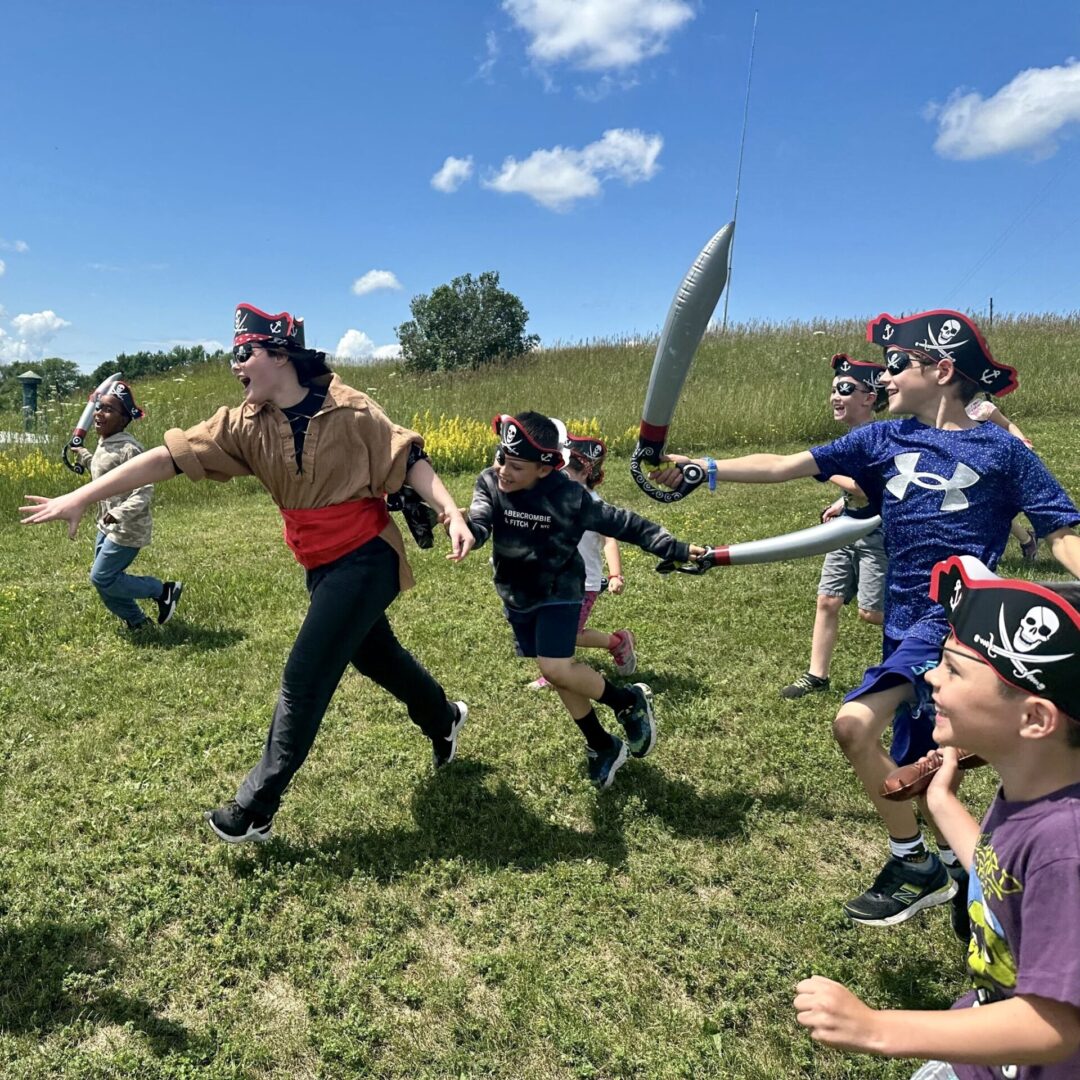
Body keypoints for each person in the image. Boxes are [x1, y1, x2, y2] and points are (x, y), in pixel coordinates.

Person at [651, 309, 1080, 926]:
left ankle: (914, 864)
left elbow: (1059, 528)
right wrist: (706, 467)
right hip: (900, 627)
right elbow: (783, 465)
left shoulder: (1002, 452)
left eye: (898, 365)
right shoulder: (882, 440)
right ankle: (971, 881)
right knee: (922, 775)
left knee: (854, 726)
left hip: (952, 622)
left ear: (942, 369)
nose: (885, 378)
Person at [22, 304, 474, 844]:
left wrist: (450, 510)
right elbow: (166, 458)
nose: (235, 365)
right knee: (375, 655)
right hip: (320, 563)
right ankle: (442, 716)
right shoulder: (243, 422)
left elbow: (409, 457)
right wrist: (81, 495)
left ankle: (255, 806)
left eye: (244, 353)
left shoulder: (351, 410)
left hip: (367, 555)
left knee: (305, 677)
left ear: (280, 355)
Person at [794, 555, 1080, 1079]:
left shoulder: (1067, 846)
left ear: (1035, 718)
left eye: (952, 668)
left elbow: (1057, 1023)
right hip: (979, 1055)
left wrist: (876, 1027)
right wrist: (944, 803)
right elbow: (1004, 879)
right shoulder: (1035, 791)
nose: (930, 675)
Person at [461, 411, 706, 789]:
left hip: (561, 591)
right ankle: (601, 744)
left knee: (556, 668)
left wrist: (672, 547)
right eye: (501, 459)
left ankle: (627, 702)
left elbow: (625, 524)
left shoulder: (569, 496)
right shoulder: (492, 482)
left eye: (517, 466)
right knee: (561, 678)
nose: (504, 471)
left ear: (544, 469)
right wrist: (466, 530)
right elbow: (479, 517)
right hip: (517, 595)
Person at [781, 354, 887, 699]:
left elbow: (868, 487)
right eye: (833, 390)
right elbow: (855, 490)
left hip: (875, 534)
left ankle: (936, 640)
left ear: (869, 397)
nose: (835, 397)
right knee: (827, 600)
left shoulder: (876, 437)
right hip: (846, 527)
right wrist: (841, 503)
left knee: (872, 613)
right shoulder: (853, 435)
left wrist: (821, 469)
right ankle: (817, 675)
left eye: (845, 389)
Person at [72, 380, 183, 631]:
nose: (99, 413)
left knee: (102, 577)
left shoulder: (129, 448)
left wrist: (118, 513)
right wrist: (85, 456)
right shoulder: (105, 443)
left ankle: (162, 590)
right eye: (99, 408)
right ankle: (137, 622)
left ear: (124, 419)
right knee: (105, 581)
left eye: (109, 410)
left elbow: (145, 488)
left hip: (127, 528)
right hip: (106, 526)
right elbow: (107, 475)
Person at [528, 432, 637, 690]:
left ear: (584, 473)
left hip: (583, 584)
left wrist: (615, 575)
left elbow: (610, 540)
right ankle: (555, 669)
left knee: (571, 634)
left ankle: (616, 642)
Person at [965, 396, 1039, 563]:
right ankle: (1027, 539)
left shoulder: (982, 408)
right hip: (963, 468)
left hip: (989, 466)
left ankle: (1027, 540)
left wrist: (1023, 443)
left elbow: (1007, 425)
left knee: (991, 507)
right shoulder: (940, 412)